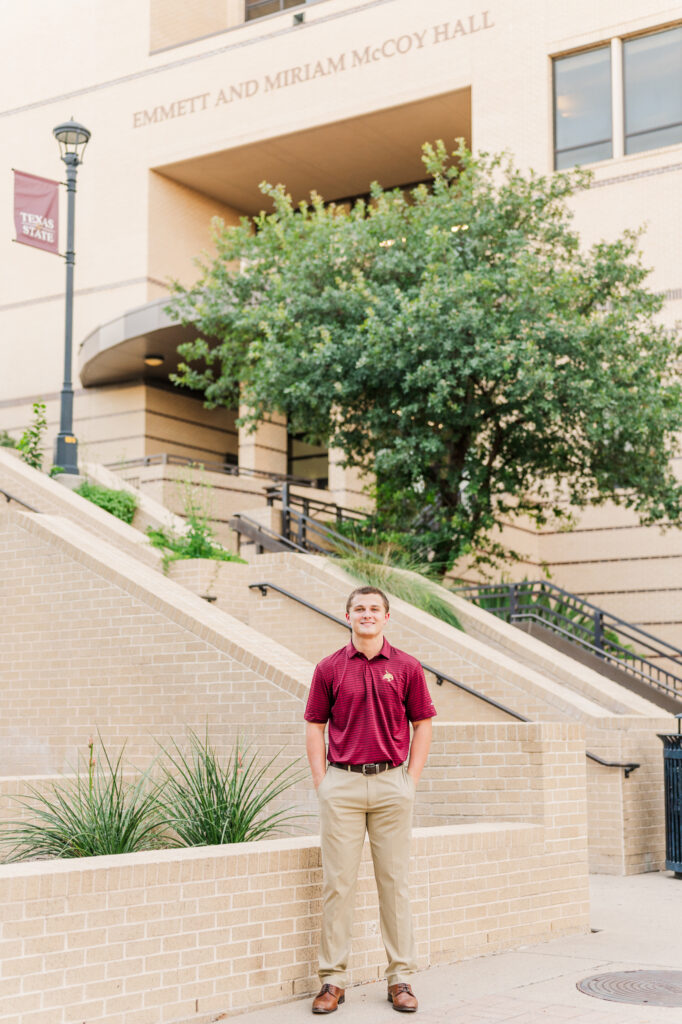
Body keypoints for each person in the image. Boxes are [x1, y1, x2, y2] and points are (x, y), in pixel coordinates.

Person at [304, 585, 436, 1015]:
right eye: (359, 609)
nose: (367, 615)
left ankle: (400, 978)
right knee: (337, 886)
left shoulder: (407, 667)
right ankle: (332, 980)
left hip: (391, 785)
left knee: (394, 885)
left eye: (374, 609)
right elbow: (314, 726)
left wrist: (410, 780)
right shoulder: (328, 668)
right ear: (348, 616)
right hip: (341, 785)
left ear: (386, 617)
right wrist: (322, 781)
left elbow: (424, 724)